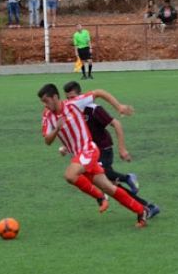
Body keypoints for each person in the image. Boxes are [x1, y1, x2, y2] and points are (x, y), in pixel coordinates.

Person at [38, 83, 149, 228]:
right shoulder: (47, 115)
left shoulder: (74, 104)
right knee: (110, 187)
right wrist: (57, 129)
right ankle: (142, 211)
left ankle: (100, 197)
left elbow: (99, 92)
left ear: (55, 97)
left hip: (89, 149)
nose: (45, 105)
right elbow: (47, 140)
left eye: (47, 101)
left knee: (70, 175)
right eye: (43, 102)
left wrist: (119, 107)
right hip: (79, 156)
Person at [63, 81, 161, 219]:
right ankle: (148, 206)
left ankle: (127, 177)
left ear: (80, 95)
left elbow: (117, 124)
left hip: (104, 148)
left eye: (72, 97)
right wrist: (65, 148)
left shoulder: (94, 109)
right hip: (89, 152)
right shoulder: (72, 112)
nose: (70, 101)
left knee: (107, 176)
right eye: (67, 98)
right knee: (109, 185)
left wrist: (122, 149)